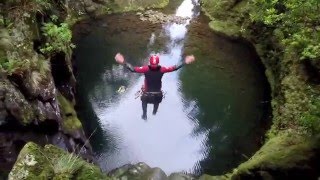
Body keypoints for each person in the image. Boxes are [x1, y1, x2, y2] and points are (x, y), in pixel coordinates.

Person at [115, 53, 196, 120]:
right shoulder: (162, 69)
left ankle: (144, 115)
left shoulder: (145, 69)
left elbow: (132, 69)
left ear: (150, 63)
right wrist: (185, 61)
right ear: (158, 63)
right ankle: (154, 112)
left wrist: (123, 61)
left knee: (144, 102)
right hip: (157, 94)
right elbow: (175, 67)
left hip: (147, 94)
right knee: (156, 102)